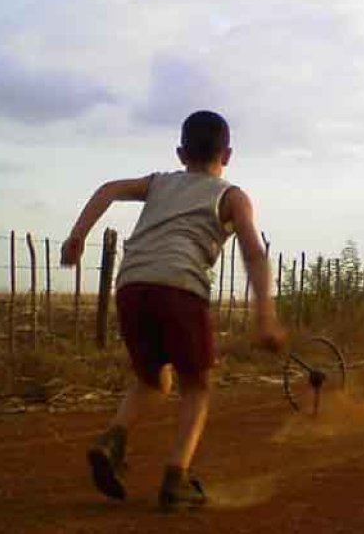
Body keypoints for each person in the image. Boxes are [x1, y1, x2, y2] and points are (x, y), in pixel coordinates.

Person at [60, 110, 287, 511]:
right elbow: (253, 251)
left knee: (153, 379)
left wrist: (77, 236)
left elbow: (109, 189)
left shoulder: (160, 183)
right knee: (197, 386)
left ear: (181, 152)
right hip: (180, 286)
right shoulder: (231, 196)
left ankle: (112, 440)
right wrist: (265, 315)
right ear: (228, 154)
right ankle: (176, 478)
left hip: (131, 285)